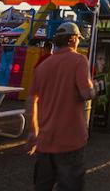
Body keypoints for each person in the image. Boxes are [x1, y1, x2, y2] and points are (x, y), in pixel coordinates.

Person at [27, 21, 95, 191]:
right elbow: (86, 94)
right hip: (70, 140)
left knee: (42, 185)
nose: (79, 42)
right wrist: (95, 88)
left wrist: (32, 130)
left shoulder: (42, 66)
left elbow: (31, 101)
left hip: (44, 140)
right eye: (78, 38)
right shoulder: (79, 60)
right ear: (72, 39)